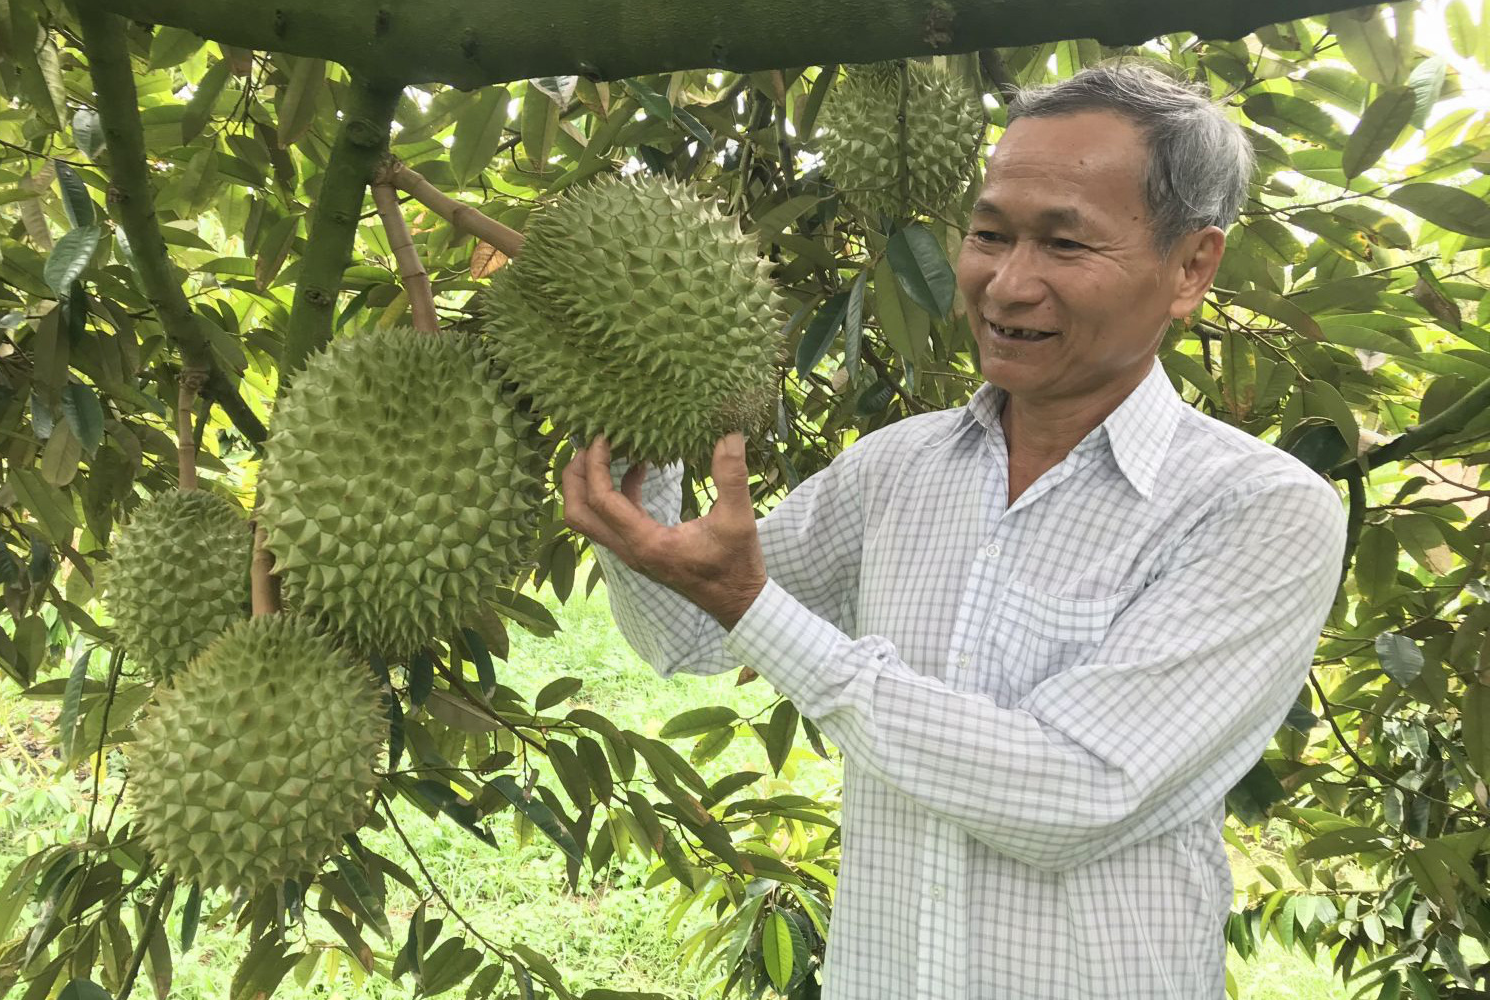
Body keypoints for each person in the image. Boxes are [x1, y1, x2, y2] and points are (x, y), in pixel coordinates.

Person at [559, 62, 1347, 1000]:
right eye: (987, 235)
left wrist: (754, 606)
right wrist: (644, 471)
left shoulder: (1259, 508)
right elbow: (684, 634)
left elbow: (1076, 792)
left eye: (1065, 245)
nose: (1007, 285)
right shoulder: (899, 468)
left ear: (1190, 268)